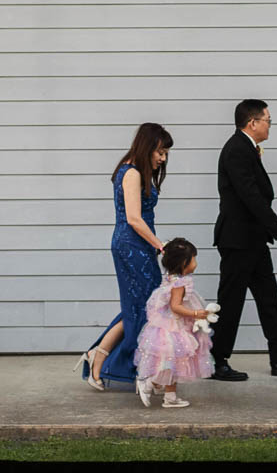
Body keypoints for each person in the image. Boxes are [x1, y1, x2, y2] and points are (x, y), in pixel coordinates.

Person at [210, 100, 277, 380]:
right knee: (230, 302)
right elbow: (251, 197)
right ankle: (217, 361)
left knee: (269, 300)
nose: (270, 124)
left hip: (254, 240)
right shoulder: (236, 150)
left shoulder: (247, 149)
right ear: (252, 123)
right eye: (267, 119)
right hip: (237, 240)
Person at [76, 123, 173, 390]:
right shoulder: (131, 173)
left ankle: (100, 355)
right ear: (148, 147)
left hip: (139, 246)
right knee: (144, 306)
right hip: (131, 246)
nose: (162, 159)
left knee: (141, 305)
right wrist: (161, 246)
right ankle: (106, 359)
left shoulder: (135, 171)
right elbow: (133, 218)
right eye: (160, 152)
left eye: (165, 153)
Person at [134, 238, 214, 409]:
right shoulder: (180, 283)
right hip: (174, 326)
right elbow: (175, 306)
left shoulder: (172, 276)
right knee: (175, 362)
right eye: (194, 258)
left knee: (174, 364)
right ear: (184, 263)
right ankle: (148, 382)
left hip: (172, 324)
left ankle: (169, 396)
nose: (195, 262)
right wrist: (195, 313)